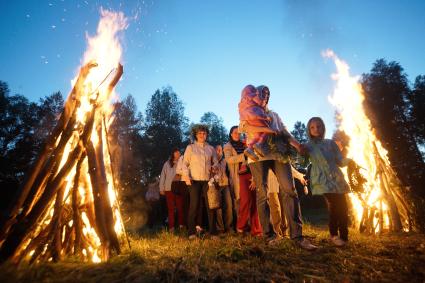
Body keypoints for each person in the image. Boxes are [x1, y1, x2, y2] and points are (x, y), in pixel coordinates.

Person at [239, 85, 317, 250]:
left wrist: (297, 145)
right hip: (258, 157)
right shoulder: (250, 110)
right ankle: (269, 235)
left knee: (289, 190)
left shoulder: (274, 115)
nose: (265, 95)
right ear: (255, 95)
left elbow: (285, 133)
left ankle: (297, 236)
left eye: (268, 93)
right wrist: (266, 129)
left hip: (279, 154)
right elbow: (245, 128)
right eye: (262, 92)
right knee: (263, 194)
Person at [304, 117, 352, 246]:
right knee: (335, 206)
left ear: (323, 128)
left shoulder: (331, 143)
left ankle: (344, 236)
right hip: (322, 180)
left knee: (343, 207)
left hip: (336, 179)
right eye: (313, 127)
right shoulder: (308, 146)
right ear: (309, 130)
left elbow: (340, 161)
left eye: (319, 126)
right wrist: (300, 152)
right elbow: (303, 162)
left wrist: (351, 161)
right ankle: (334, 235)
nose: (316, 129)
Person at [181, 124, 219, 239]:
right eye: (200, 133)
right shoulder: (190, 147)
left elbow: (216, 162)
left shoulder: (211, 148)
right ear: (196, 135)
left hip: (208, 181)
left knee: (211, 206)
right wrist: (187, 177)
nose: (202, 135)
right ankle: (191, 232)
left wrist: (214, 167)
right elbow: (185, 163)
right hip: (194, 180)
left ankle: (213, 232)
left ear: (207, 135)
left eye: (204, 133)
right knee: (194, 205)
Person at [159, 148, 185, 232]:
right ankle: (171, 227)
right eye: (176, 153)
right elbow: (163, 176)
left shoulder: (182, 163)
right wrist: (161, 188)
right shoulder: (167, 164)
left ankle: (181, 225)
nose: (178, 154)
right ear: (173, 154)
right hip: (168, 188)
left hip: (178, 189)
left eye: (179, 153)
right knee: (171, 209)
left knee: (180, 207)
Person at [214, 145, 234, 233]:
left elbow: (229, 172)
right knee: (218, 208)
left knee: (229, 206)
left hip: (225, 185)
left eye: (220, 150)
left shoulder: (225, 161)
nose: (219, 151)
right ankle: (220, 228)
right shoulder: (212, 160)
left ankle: (229, 227)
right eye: (217, 149)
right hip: (216, 185)